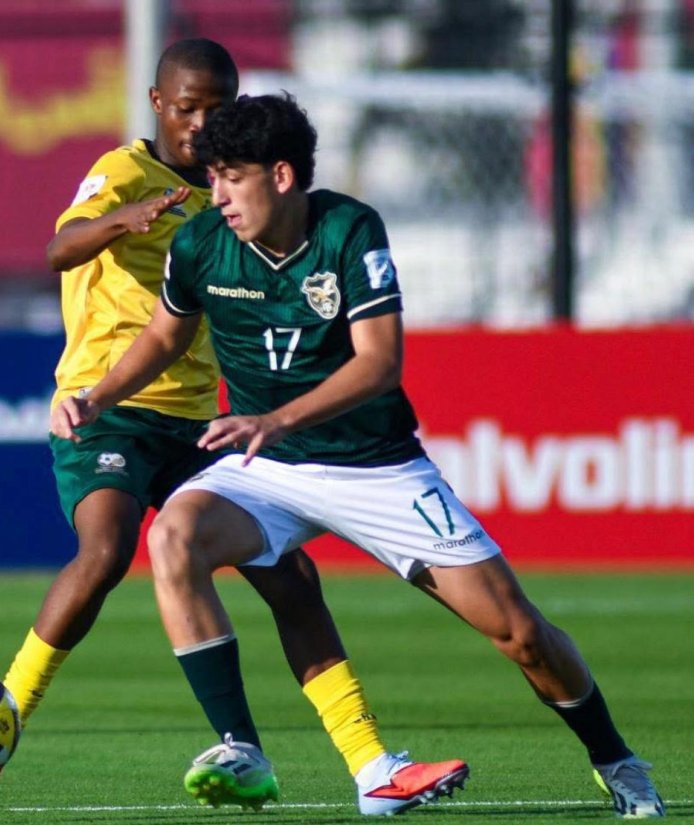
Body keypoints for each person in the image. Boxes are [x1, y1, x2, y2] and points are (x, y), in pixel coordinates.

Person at [51, 92, 666, 820]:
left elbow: (380, 364)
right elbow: (162, 336)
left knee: (521, 634)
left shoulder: (348, 229)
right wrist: (99, 396)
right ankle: (241, 747)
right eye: (210, 176)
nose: (213, 194)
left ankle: (615, 758)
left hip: (374, 464)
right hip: (268, 465)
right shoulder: (201, 242)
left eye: (230, 177)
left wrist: (276, 417)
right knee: (174, 535)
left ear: (281, 175)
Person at [0, 41, 463, 820]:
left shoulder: (236, 195)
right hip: (108, 407)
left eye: (215, 109)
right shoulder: (125, 172)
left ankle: (368, 765)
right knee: (107, 550)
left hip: (197, 420)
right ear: (158, 105)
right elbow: (59, 249)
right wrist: (119, 220)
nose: (199, 123)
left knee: (290, 578)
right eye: (185, 108)